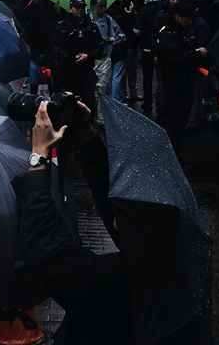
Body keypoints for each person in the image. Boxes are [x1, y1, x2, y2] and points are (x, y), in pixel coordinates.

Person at [9, 102, 133, 344]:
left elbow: (48, 251)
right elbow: (111, 205)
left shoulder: (113, 285)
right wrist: (86, 138)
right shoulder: (162, 266)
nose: (117, 218)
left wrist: (38, 155)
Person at [155, 0, 210, 147]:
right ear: (178, 17)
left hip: (185, 82)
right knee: (175, 118)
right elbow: (176, 57)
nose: (189, 21)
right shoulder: (167, 33)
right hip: (172, 83)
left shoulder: (181, 31)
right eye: (187, 18)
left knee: (182, 115)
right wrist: (196, 53)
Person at [53, 0, 103, 112]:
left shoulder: (90, 26)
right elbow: (56, 48)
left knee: (89, 105)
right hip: (69, 74)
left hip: (86, 72)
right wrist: (69, 57)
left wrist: (88, 55)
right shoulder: (63, 26)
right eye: (77, 7)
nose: (80, 10)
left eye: (82, 7)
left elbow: (99, 47)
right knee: (69, 106)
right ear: (71, 8)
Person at [20, 0, 59, 93]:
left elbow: (25, 20)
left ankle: (35, 95)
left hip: (38, 45)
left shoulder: (34, 5)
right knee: (47, 74)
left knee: (36, 76)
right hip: (44, 45)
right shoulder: (49, 5)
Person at [89, 0, 125, 107]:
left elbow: (121, 35)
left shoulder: (108, 19)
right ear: (93, 6)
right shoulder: (87, 19)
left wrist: (112, 40)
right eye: (101, 6)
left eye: (105, 6)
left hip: (104, 59)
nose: (103, 8)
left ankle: (101, 119)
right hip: (89, 59)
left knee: (103, 90)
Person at [137, 0, 162, 116]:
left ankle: (147, 104)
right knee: (160, 77)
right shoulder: (161, 9)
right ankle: (160, 103)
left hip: (146, 48)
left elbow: (137, 30)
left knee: (147, 78)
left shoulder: (143, 10)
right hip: (160, 48)